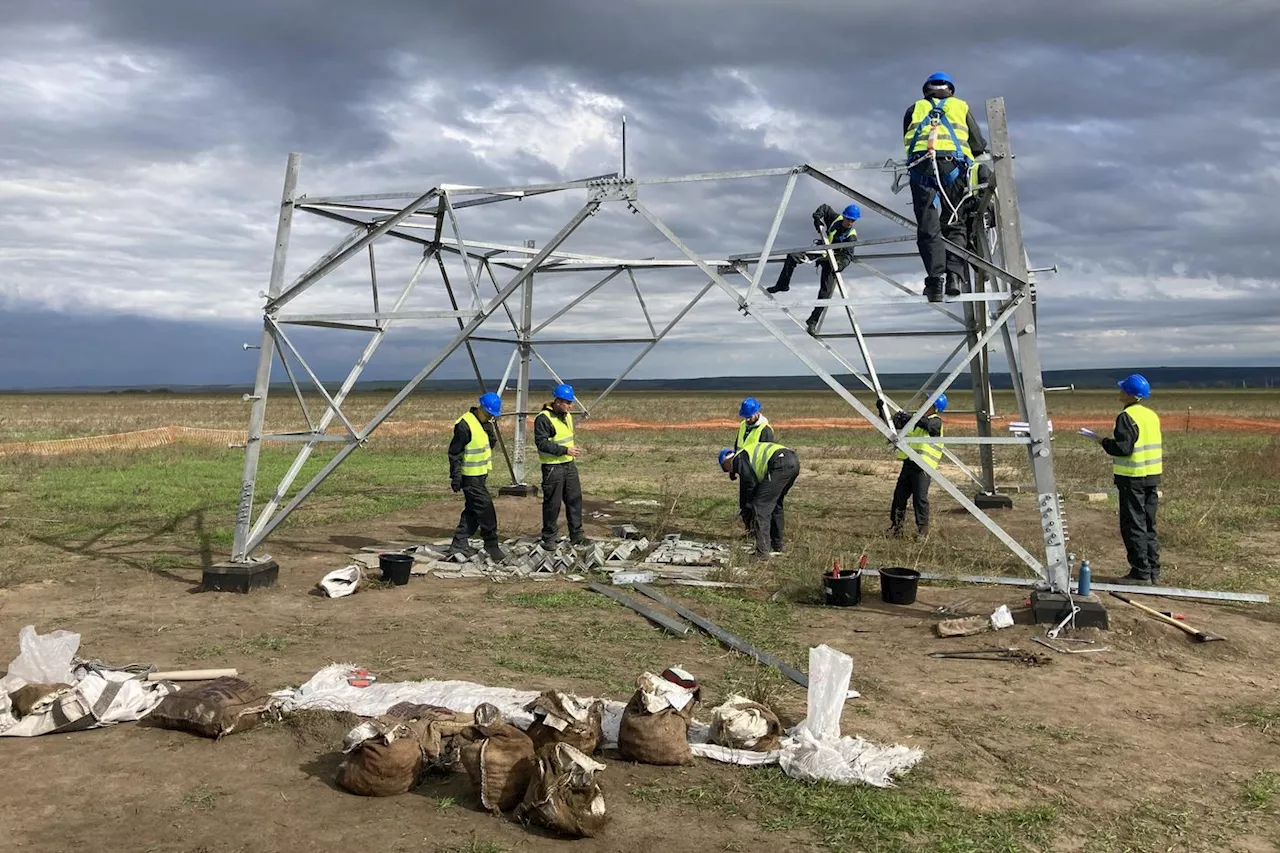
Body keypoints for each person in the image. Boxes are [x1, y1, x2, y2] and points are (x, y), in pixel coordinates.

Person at [903, 71, 988, 303]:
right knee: (955, 223)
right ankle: (954, 278)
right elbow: (978, 143)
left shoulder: (914, 108)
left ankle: (935, 282)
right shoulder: (960, 106)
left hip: (921, 168)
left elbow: (907, 141)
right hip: (953, 167)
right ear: (950, 90)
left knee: (928, 226)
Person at [1084, 374, 1163, 585]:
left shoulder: (1126, 417)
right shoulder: (1151, 415)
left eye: (1122, 390)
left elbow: (1124, 449)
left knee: (1133, 525)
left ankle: (1140, 573)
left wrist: (1103, 441)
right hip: (1151, 477)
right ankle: (1153, 570)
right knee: (1148, 523)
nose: (1120, 392)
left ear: (1128, 393)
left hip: (1132, 478)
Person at [766, 203, 861, 336]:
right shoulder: (835, 218)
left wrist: (840, 266)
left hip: (832, 262)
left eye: (852, 220)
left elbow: (848, 256)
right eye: (848, 219)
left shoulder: (851, 236)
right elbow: (824, 208)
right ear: (844, 216)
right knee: (793, 256)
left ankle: (812, 321)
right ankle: (782, 285)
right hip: (821, 251)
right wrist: (817, 218)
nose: (849, 222)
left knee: (825, 294)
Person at [448, 392, 507, 562]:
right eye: (489, 414)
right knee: (486, 509)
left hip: (481, 475)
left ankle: (458, 544)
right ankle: (491, 543)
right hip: (470, 477)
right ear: (481, 408)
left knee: (473, 511)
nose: (491, 417)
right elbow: (455, 453)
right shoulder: (464, 425)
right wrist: (456, 476)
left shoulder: (484, 423)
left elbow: (488, 445)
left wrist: (489, 431)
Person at [877, 394, 947, 536]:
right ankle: (896, 528)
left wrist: (909, 418)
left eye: (926, 402)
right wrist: (882, 410)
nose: (922, 404)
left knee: (920, 499)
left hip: (923, 468)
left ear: (934, 407)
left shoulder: (936, 422)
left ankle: (922, 532)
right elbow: (893, 423)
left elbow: (927, 425)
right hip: (908, 465)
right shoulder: (915, 421)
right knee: (899, 497)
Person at [719, 440, 800, 559]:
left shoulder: (739, 459)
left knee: (760, 507)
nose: (730, 472)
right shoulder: (746, 455)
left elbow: (750, 486)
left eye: (725, 469)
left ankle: (762, 552)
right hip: (792, 461)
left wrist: (749, 509)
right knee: (775, 504)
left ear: (726, 462)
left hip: (779, 463)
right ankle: (777, 545)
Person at [535, 383, 585, 549]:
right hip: (553, 468)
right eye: (567, 403)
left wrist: (569, 451)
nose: (570, 406)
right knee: (553, 504)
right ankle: (549, 538)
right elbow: (541, 443)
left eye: (571, 403)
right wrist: (565, 450)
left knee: (574, 500)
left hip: (569, 465)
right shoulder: (543, 419)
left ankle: (577, 535)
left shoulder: (567, 416)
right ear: (557, 401)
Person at [731, 397, 776, 535]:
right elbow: (737, 445)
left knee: (754, 503)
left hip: (756, 474)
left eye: (749, 417)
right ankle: (748, 530)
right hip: (743, 471)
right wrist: (734, 467)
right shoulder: (743, 425)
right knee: (744, 503)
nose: (747, 419)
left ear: (757, 413)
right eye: (745, 417)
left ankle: (757, 533)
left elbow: (766, 454)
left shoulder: (765, 430)